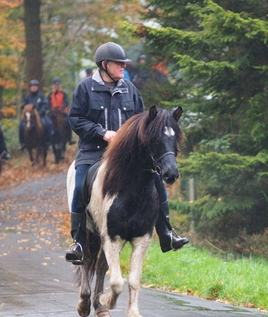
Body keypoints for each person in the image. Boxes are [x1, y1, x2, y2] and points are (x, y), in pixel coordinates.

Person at [65, 41, 189, 264]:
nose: (123, 67)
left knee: (156, 182)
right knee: (80, 185)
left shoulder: (130, 89)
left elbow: (142, 122)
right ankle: (79, 242)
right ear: (104, 65)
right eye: (119, 64)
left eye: (124, 63)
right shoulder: (85, 88)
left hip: (125, 154)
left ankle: (167, 233)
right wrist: (102, 133)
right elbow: (75, 120)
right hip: (93, 151)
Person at [19, 79, 53, 150]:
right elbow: (23, 104)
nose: (34, 87)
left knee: (49, 123)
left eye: (35, 86)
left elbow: (45, 104)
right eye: (32, 86)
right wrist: (23, 107)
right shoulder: (27, 97)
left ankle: (48, 142)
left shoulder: (42, 96)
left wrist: (41, 112)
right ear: (30, 87)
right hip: (29, 117)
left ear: (37, 87)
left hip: (41, 115)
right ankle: (23, 143)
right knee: (21, 126)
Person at [48, 77, 72, 144]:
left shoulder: (63, 94)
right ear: (53, 85)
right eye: (55, 84)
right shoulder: (50, 94)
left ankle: (69, 139)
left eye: (58, 84)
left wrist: (61, 108)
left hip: (62, 112)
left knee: (68, 122)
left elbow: (66, 102)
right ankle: (48, 140)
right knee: (47, 123)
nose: (56, 85)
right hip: (53, 112)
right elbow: (48, 103)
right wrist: (50, 109)